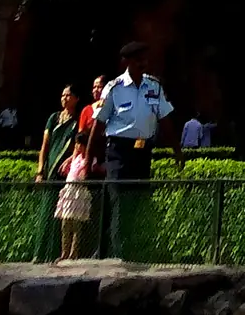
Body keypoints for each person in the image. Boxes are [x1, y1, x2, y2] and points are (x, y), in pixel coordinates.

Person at [94, 44, 173, 185]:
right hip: (118, 152)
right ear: (127, 62)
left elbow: (165, 119)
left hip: (143, 152)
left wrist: (177, 150)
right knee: (118, 198)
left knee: (139, 199)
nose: (143, 63)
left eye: (144, 60)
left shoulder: (154, 86)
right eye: (138, 60)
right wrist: (89, 159)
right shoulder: (114, 88)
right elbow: (98, 123)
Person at [34, 86, 85, 262]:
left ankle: (61, 254)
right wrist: (40, 171)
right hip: (51, 171)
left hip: (67, 173)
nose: (64, 98)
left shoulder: (77, 120)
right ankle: (41, 255)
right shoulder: (54, 118)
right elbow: (45, 145)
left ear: (76, 98)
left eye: (68, 95)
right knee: (46, 214)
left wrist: (71, 159)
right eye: (62, 95)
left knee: (65, 215)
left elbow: (79, 145)